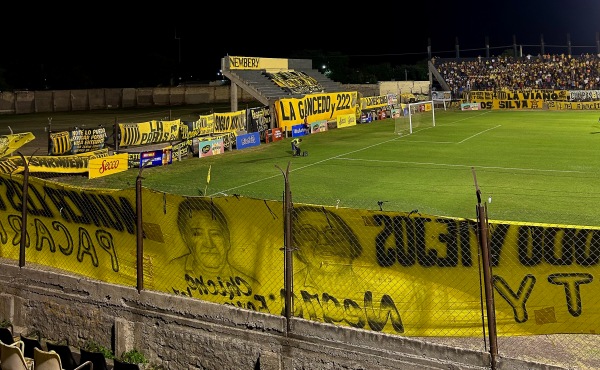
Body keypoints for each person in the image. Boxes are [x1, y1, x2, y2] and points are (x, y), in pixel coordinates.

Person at [167, 198, 257, 286]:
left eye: (215, 234)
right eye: (198, 234)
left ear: (227, 239)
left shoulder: (248, 284)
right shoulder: (171, 270)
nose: (209, 245)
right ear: (186, 239)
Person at [291, 205, 368, 296]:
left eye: (332, 233)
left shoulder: (369, 290)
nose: (323, 241)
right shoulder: (292, 285)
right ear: (296, 245)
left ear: (352, 243)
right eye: (308, 233)